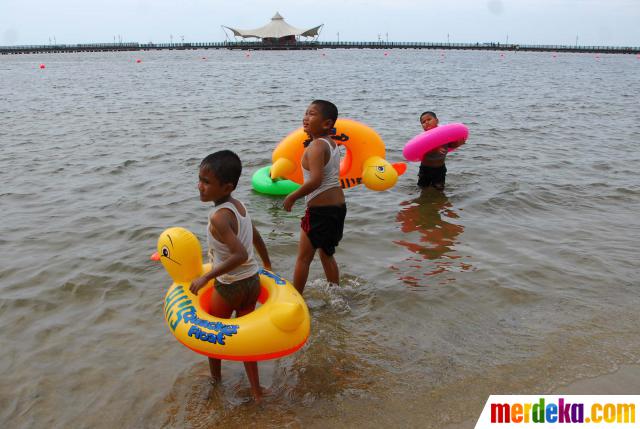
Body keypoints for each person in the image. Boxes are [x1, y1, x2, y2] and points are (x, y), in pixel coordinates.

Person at [189, 150, 272, 402]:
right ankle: (257, 390)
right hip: (252, 283)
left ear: (227, 186)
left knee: (213, 337)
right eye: (199, 178)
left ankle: (216, 380)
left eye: (206, 182)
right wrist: (267, 263)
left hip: (229, 287)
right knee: (245, 341)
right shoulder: (240, 207)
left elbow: (239, 254)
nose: (199, 186)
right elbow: (254, 234)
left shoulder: (218, 217)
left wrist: (206, 278)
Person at [283, 100, 346, 295]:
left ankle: (296, 300)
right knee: (326, 253)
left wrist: (292, 197)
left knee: (303, 258)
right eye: (305, 113)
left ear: (327, 123)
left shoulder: (317, 146)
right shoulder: (330, 143)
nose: (305, 117)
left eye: (311, 114)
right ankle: (336, 295)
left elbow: (316, 180)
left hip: (320, 211)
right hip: (337, 208)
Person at [417, 111, 466, 190]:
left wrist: (458, 143)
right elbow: (423, 150)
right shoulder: (424, 138)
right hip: (425, 168)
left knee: (439, 189)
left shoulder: (444, 134)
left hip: (440, 168)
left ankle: (438, 200)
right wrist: (435, 149)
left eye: (429, 119)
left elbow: (450, 145)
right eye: (423, 122)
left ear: (437, 120)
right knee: (422, 187)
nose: (426, 122)